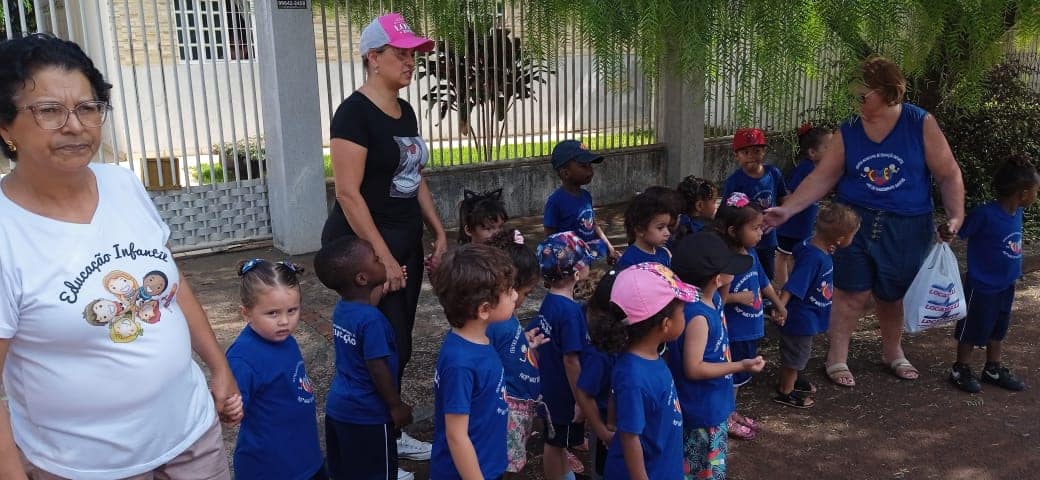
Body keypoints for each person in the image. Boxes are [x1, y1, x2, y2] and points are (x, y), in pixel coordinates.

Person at [0, 34, 241, 479]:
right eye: (49, 110)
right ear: (5, 127)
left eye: (88, 107)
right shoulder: (7, 231)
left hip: (191, 436)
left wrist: (218, 364)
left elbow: (170, 280)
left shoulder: (122, 184)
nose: (75, 125)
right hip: (84, 466)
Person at [763, 56, 965, 387]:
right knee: (848, 292)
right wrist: (789, 209)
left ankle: (893, 350)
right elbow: (824, 176)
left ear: (886, 91)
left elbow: (948, 174)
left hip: (907, 224)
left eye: (863, 96)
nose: (857, 103)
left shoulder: (920, 122)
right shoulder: (849, 130)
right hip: (853, 221)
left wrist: (955, 217)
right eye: (853, 96)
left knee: (893, 293)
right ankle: (837, 356)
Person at [320, 12, 446, 459]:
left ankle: (387, 432)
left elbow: (413, 175)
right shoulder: (353, 114)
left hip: (402, 241)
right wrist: (384, 258)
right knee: (377, 346)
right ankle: (377, 440)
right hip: (366, 253)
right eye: (401, 53)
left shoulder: (404, 111)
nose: (411, 62)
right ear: (373, 58)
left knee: (401, 342)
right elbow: (348, 195)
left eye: (414, 55)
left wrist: (437, 229)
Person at [314, 237, 416, 480]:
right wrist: (396, 406)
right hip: (369, 415)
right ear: (362, 279)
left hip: (339, 409)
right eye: (377, 260)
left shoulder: (343, 309)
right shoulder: (373, 322)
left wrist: (382, 283)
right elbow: (377, 367)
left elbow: (367, 301)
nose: (382, 262)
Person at [668, 231, 765, 479]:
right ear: (717, 278)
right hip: (702, 411)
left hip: (713, 403)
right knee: (702, 471)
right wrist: (740, 365)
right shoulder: (698, 316)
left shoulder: (712, 301)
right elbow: (694, 367)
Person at [588, 263, 693, 480]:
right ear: (665, 324)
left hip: (662, 464)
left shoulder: (645, 358)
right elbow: (630, 437)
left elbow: (617, 396)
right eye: (683, 312)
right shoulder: (634, 376)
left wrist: (611, 422)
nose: (686, 316)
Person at [226, 260, 326, 479]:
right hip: (270, 468)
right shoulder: (243, 357)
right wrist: (228, 408)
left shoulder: (286, 340)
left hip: (306, 457)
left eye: (292, 310)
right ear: (246, 313)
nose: (284, 321)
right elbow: (229, 411)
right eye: (272, 313)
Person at [949, 157, 1039, 393]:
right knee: (971, 328)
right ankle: (960, 368)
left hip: (1006, 284)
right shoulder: (985, 214)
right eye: (1035, 191)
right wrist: (947, 230)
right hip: (982, 285)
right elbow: (960, 231)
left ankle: (993, 368)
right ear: (1023, 193)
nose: (1036, 195)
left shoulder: (1017, 212)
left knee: (999, 327)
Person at [429, 244, 517, 480]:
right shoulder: (460, 363)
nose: (515, 296)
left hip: (487, 465)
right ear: (484, 309)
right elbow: (456, 436)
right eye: (509, 291)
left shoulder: (480, 340)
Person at [773, 205, 860, 409]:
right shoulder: (814, 258)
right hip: (800, 317)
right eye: (852, 236)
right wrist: (780, 307)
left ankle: (793, 379)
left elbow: (798, 250)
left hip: (809, 315)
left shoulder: (811, 245)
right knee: (796, 356)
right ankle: (786, 391)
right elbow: (794, 285)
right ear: (840, 239)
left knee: (800, 352)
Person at [715, 193, 787, 440]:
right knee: (732, 377)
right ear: (733, 230)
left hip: (750, 329)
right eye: (754, 228)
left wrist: (779, 305)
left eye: (760, 227)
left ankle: (730, 412)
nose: (760, 233)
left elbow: (764, 283)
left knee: (739, 377)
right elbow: (712, 298)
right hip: (733, 332)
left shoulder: (750, 253)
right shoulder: (724, 260)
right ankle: (725, 418)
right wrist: (736, 298)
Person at [529, 231, 595, 480]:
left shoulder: (550, 302)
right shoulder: (570, 312)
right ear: (576, 273)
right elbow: (571, 360)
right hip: (564, 396)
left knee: (555, 441)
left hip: (550, 388)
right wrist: (581, 400)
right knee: (556, 443)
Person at [485, 229, 549, 476]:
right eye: (525, 294)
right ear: (509, 287)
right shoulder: (496, 322)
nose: (522, 299)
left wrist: (524, 343)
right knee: (504, 464)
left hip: (519, 406)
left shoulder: (507, 317)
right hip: (506, 409)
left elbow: (506, 350)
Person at [723, 127, 789, 281]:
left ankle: (765, 295)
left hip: (768, 236)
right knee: (747, 274)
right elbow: (726, 211)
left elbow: (783, 198)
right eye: (746, 152)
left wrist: (782, 216)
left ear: (763, 152)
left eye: (756, 151)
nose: (751, 156)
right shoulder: (734, 181)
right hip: (744, 237)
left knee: (767, 273)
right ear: (736, 156)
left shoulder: (774, 173)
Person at [775, 124, 833, 287]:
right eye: (828, 147)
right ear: (812, 152)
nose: (833, 151)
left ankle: (794, 287)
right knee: (783, 255)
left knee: (797, 255)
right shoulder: (805, 169)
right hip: (792, 224)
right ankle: (783, 288)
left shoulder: (817, 169)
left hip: (804, 223)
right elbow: (789, 194)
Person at [544, 139, 619, 263]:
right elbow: (549, 235)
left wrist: (609, 247)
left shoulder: (586, 196)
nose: (590, 171)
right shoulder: (555, 201)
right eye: (583, 166)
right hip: (568, 262)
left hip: (587, 258)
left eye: (590, 165)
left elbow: (592, 224)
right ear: (566, 173)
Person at [576, 270, 619, 480]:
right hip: (606, 427)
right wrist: (602, 431)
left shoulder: (627, 341)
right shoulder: (600, 353)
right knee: (603, 472)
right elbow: (584, 393)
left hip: (624, 425)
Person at [616, 189, 674, 270]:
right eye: (660, 228)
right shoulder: (629, 261)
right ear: (640, 230)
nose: (667, 233)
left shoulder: (664, 254)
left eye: (667, 226)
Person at [675, 175, 719, 241]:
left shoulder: (675, 225)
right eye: (714, 201)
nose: (716, 206)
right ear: (699, 205)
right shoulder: (708, 231)